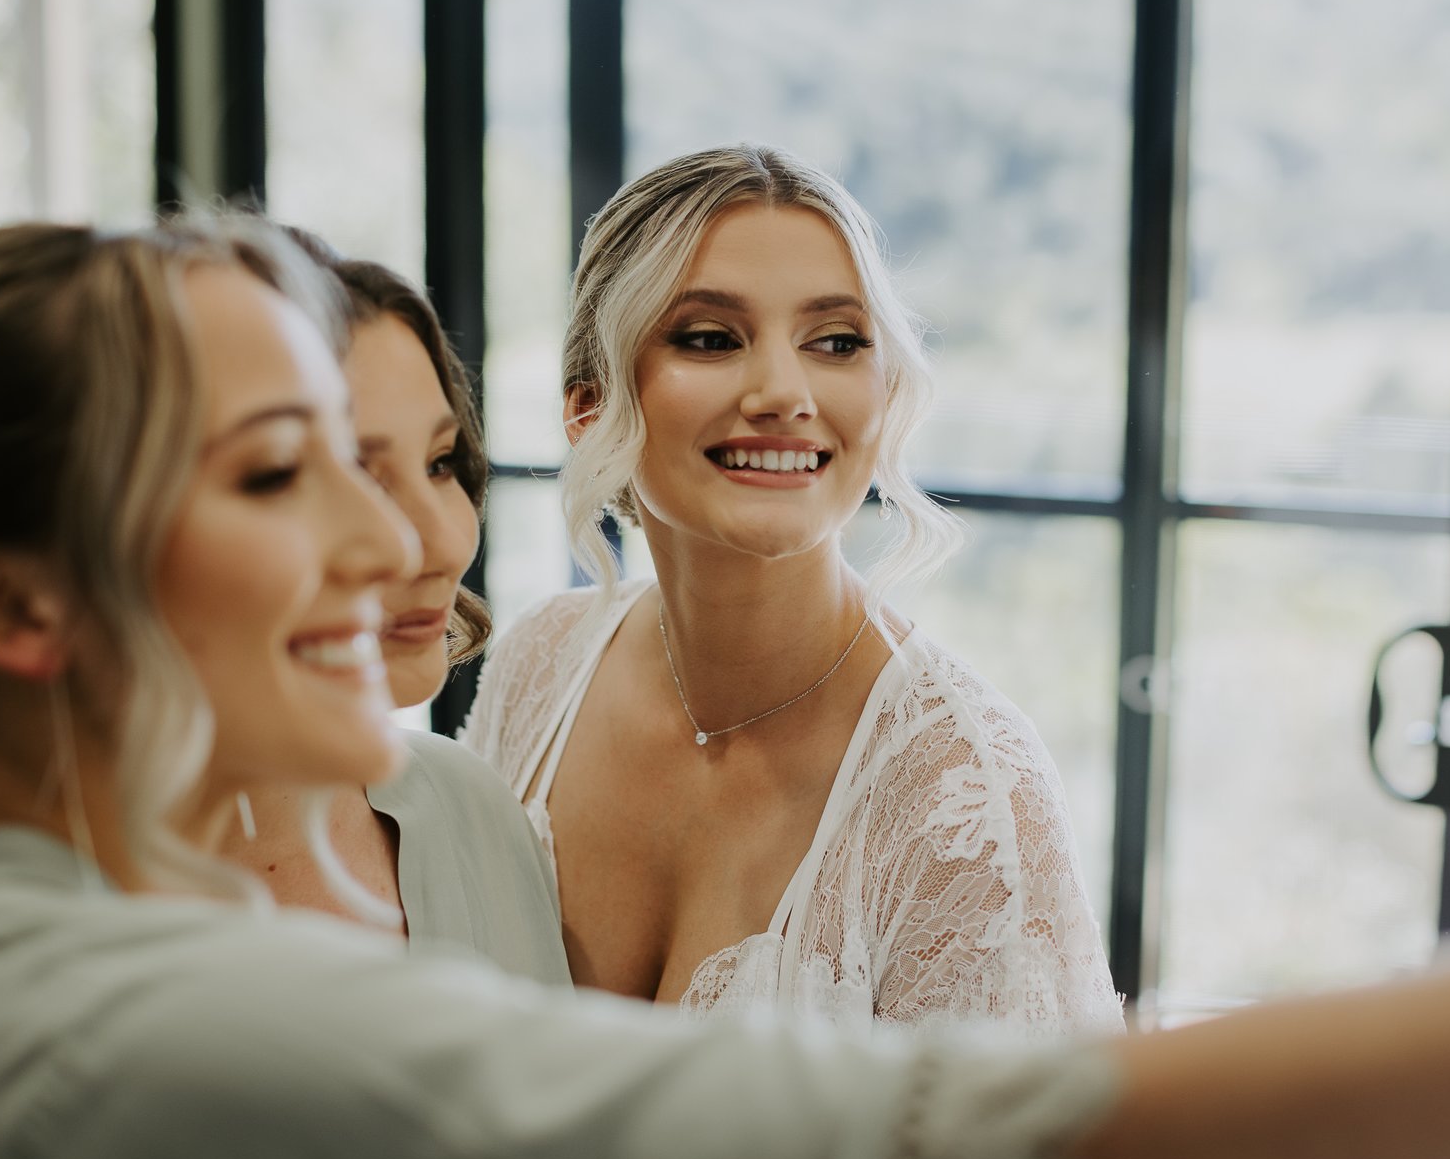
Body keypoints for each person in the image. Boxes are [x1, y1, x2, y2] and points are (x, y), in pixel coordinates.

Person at [0, 218, 1450, 1159]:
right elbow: (1073, 1148)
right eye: (283, 473)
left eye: (413, 460)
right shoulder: (108, 1024)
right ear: (12, 601)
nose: (401, 541)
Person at [462, 145, 1122, 1032]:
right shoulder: (539, 664)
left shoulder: (965, 791)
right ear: (590, 409)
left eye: (836, 342)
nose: (784, 391)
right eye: (710, 338)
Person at [206, 232, 567, 986]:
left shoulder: (474, 813)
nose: (435, 545)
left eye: (439, 464)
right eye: (354, 476)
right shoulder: (32, 888)